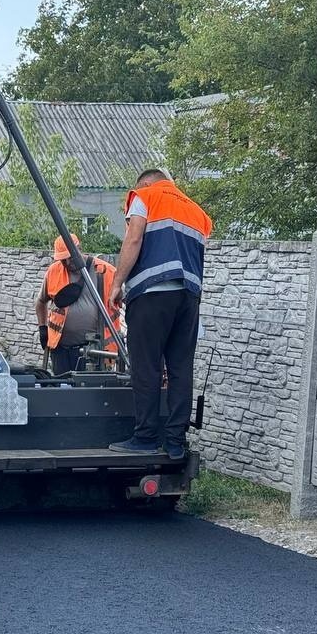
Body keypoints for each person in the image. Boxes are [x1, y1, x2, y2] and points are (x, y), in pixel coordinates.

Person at [109, 168, 213, 460]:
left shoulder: (144, 196)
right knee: (181, 369)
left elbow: (133, 240)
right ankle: (175, 442)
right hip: (189, 297)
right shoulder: (197, 211)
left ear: (144, 182)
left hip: (152, 292)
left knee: (147, 366)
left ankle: (145, 437)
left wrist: (117, 283)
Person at [35, 235, 119, 374]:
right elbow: (40, 302)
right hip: (60, 350)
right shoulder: (54, 271)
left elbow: (126, 303)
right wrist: (42, 329)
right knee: (60, 390)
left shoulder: (105, 271)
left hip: (94, 351)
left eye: (70, 256)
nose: (67, 262)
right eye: (63, 259)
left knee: (90, 392)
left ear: (79, 249)